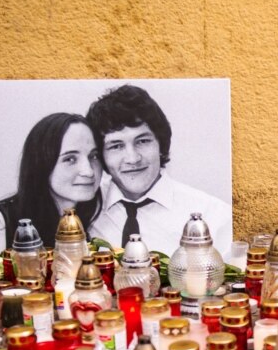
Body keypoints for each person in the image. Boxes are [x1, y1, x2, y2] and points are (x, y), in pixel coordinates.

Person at [85, 84, 232, 254]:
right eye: (116, 146)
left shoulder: (215, 217)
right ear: (101, 155)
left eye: (142, 141)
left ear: (160, 144)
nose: (133, 159)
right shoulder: (85, 209)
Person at [0, 112, 103, 253]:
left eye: (94, 156)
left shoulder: (100, 218)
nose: (89, 171)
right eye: (70, 159)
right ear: (41, 164)